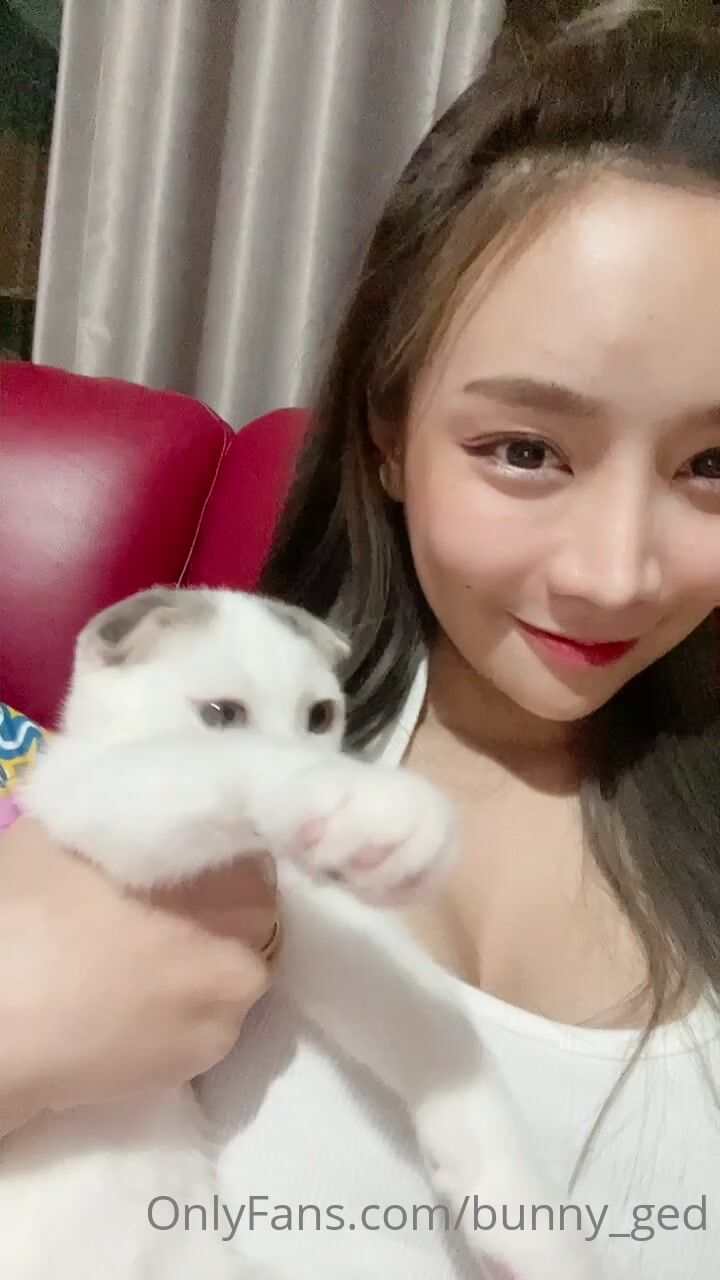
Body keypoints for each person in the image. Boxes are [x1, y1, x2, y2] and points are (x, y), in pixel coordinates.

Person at [2, 8, 720, 1278]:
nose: (614, 573)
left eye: (714, 465)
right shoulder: (203, 758)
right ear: (388, 433)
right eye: (525, 449)